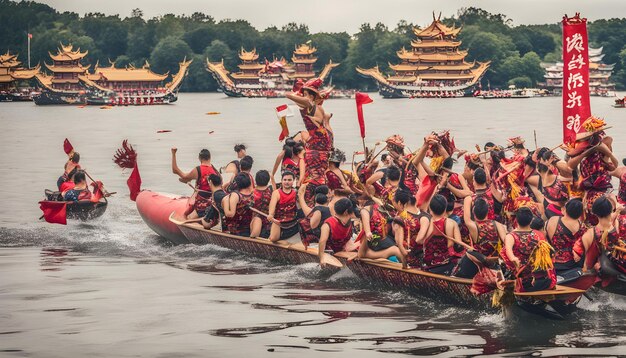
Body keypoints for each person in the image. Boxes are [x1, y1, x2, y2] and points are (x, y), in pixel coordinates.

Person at [286, 78, 333, 202]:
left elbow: (292, 96)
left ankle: (311, 201)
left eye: (306, 94)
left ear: (312, 97)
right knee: (317, 174)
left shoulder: (311, 105)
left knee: (316, 176)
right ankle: (319, 199)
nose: (304, 97)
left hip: (319, 144)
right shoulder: (314, 106)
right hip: (320, 143)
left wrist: (291, 94)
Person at [504, 207, 556, 292]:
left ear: (516, 220)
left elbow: (508, 253)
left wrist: (514, 259)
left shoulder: (511, 236)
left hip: (524, 283)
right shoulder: (539, 234)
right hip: (543, 281)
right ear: (531, 220)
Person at [454, 198, 506, 278]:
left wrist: (468, 198)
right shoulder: (498, 225)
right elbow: (506, 242)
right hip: (494, 262)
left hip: (477, 263)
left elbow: (466, 214)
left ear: (473, 212)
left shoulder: (473, 226)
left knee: (469, 253)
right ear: (487, 212)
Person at [577, 196, 625, 275]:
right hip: (615, 267)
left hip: (597, 274)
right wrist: (617, 211)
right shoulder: (615, 225)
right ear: (611, 210)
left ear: (594, 212)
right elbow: (612, 218)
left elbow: (586, 260)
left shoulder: (589, 234)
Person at [418, 194, 464, 275]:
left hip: (429, 265)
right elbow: (457, 245)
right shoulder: (452, 223)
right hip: (447, 265)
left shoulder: (427, 222)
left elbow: (419, 241)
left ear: (430, 209)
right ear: (445, 208)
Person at [171, 148, 219, 219]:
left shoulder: (198, 170)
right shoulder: (215, 171)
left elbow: (175, 170)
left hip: (201, 206)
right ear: (210, 157)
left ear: (199, 158)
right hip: (213, 204)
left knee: (185, 216)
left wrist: (173, 153)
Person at [545, 199, 584, 275]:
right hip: (570, 263)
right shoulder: (581, 227)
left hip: (551, 261)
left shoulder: (552, 220)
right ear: (580, 214)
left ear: (566, 209)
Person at [318, 198, 356, 267]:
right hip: (330, 253)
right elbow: (322, 241)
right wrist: (321, 258)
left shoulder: (348, 220)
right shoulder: (328, 224)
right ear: (346, 212)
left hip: (344, 249)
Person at [267, 171, 298, 242]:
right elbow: (271, 210)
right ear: (281, 181)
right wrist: (270, 215)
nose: (287, 182)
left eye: (289, 180)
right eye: (285, 180)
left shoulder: (296, 192)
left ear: (293, 181)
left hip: (292, 222)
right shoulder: (276, 193)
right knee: (273, 239)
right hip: (278, 222)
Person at [250, 170, 273, 238]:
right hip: (268, 223)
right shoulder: (271, 191)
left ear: (256, 180)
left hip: (255, 221)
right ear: (268, 180)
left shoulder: (252, 193)